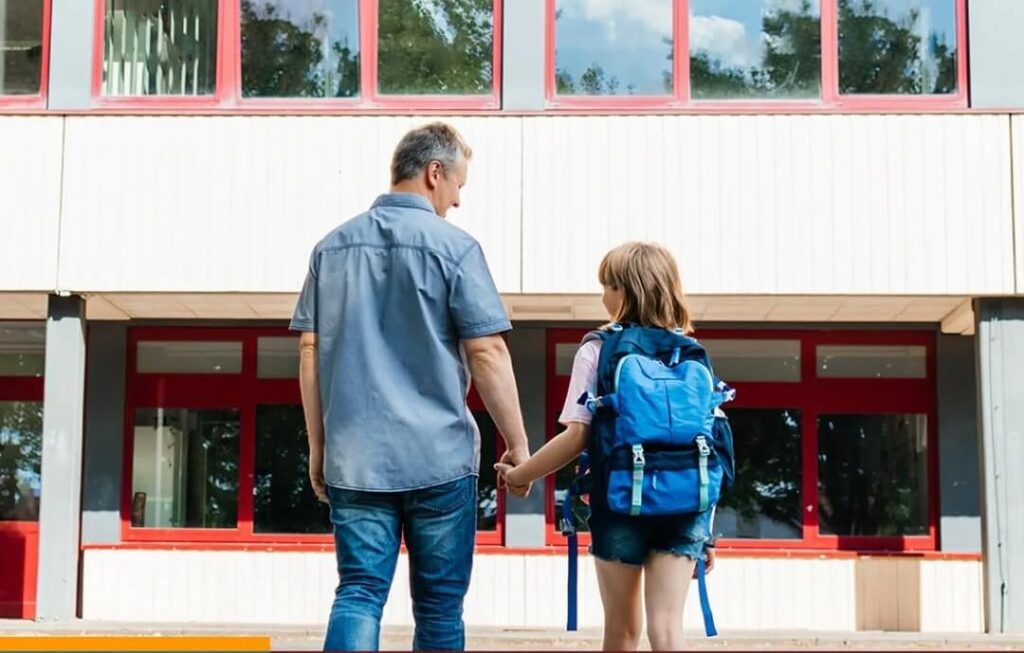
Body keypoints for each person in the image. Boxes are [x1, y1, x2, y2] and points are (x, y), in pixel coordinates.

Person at [291, 122, 532, 651]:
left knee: (358, 593)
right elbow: (487, 352)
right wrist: (518, 448)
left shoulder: (329, 249)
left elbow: (308, 352)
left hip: (354, 460)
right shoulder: (457, 249)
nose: (458, 201)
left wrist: (318, 447)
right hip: (439, 460)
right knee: (440, 609)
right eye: (458, 187)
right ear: (434, 172)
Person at [495, 242, 716, 651]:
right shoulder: (690, 354)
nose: (602, 295)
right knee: (668, 629)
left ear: (626, 290)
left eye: (608, 284)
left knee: (622, 630)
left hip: (619, 501)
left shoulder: (599, 348)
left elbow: (576, 435)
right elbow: (707, 445)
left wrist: (519, 475)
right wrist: (708, 533)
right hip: (687, 502)